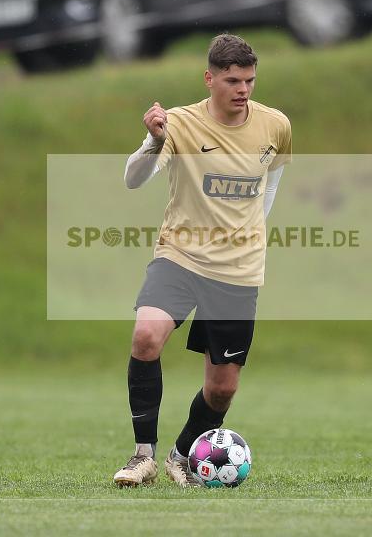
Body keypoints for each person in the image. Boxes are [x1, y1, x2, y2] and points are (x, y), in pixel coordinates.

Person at [113, 33, 291, 487]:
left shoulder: (275, 126)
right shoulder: (178, 123)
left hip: (238, 270)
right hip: (181, 256)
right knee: (146, 337)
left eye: (249, 80)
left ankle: (179, 455)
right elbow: (133, 180)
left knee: (222, 388)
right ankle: (142, 456)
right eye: (233, 80)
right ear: (209, 78)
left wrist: (251, 231)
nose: (243, 89)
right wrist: (153, 141)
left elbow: (271, 182)